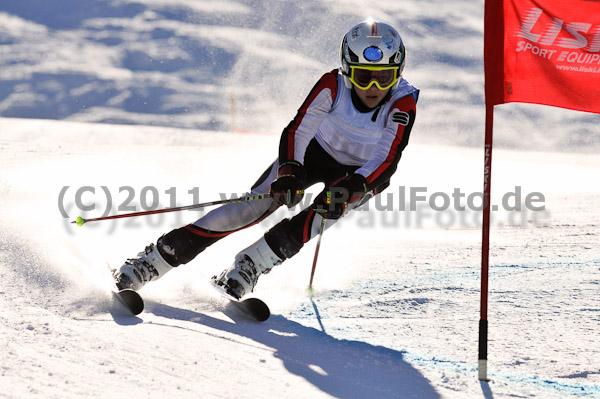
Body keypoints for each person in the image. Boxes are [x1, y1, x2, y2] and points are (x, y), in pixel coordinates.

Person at [113, 19, 419, 299]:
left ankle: (249, 267)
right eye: (364, 78)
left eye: (384, 78)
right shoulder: (332, 85)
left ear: (398, 73)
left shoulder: (402, 101)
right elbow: (298, 130)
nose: (374, 88)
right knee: (252, 206)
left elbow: (387, 158)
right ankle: (153, 260)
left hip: (362, 174)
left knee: (319, 217)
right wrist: (290, 171)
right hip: (313, 152)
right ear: (348, 69)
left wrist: (353, 188)